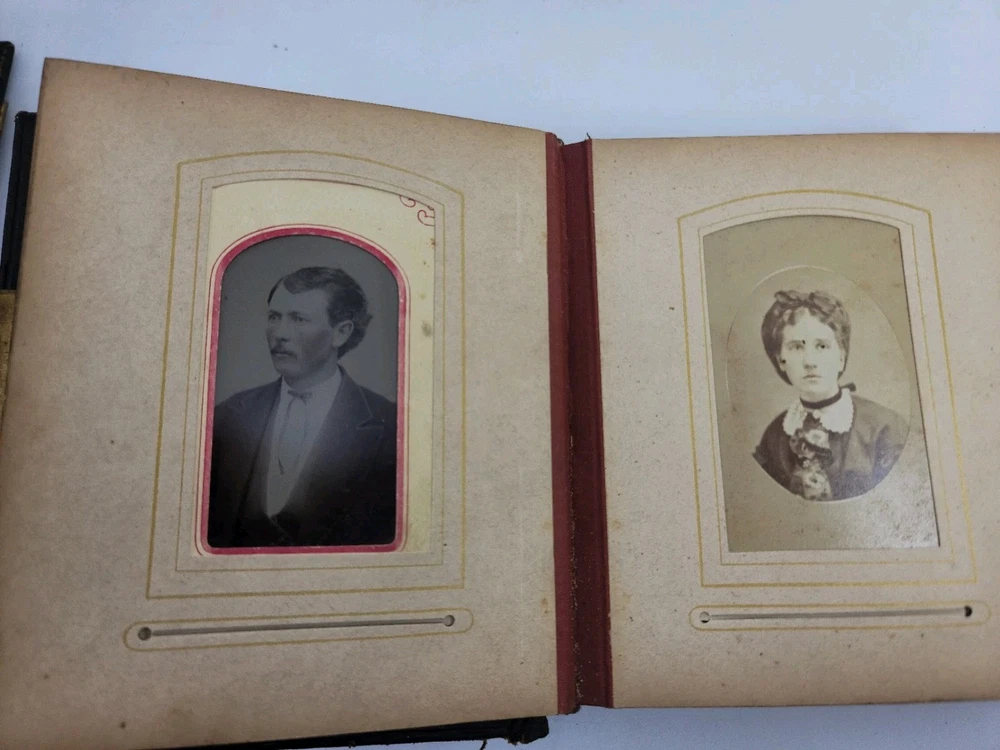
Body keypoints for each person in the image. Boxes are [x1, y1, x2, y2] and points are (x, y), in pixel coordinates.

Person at [207, 266, 397, 548]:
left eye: (299, 319)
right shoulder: (228, 415)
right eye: (274, 317)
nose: (280, 333)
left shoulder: (391, 426)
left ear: (341, 333)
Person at [752, 289, 908, 501]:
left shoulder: (885, 429)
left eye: (822, 346)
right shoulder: (775, 435)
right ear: (781, 360)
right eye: (796, 347)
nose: (810, 361)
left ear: (841, 357)